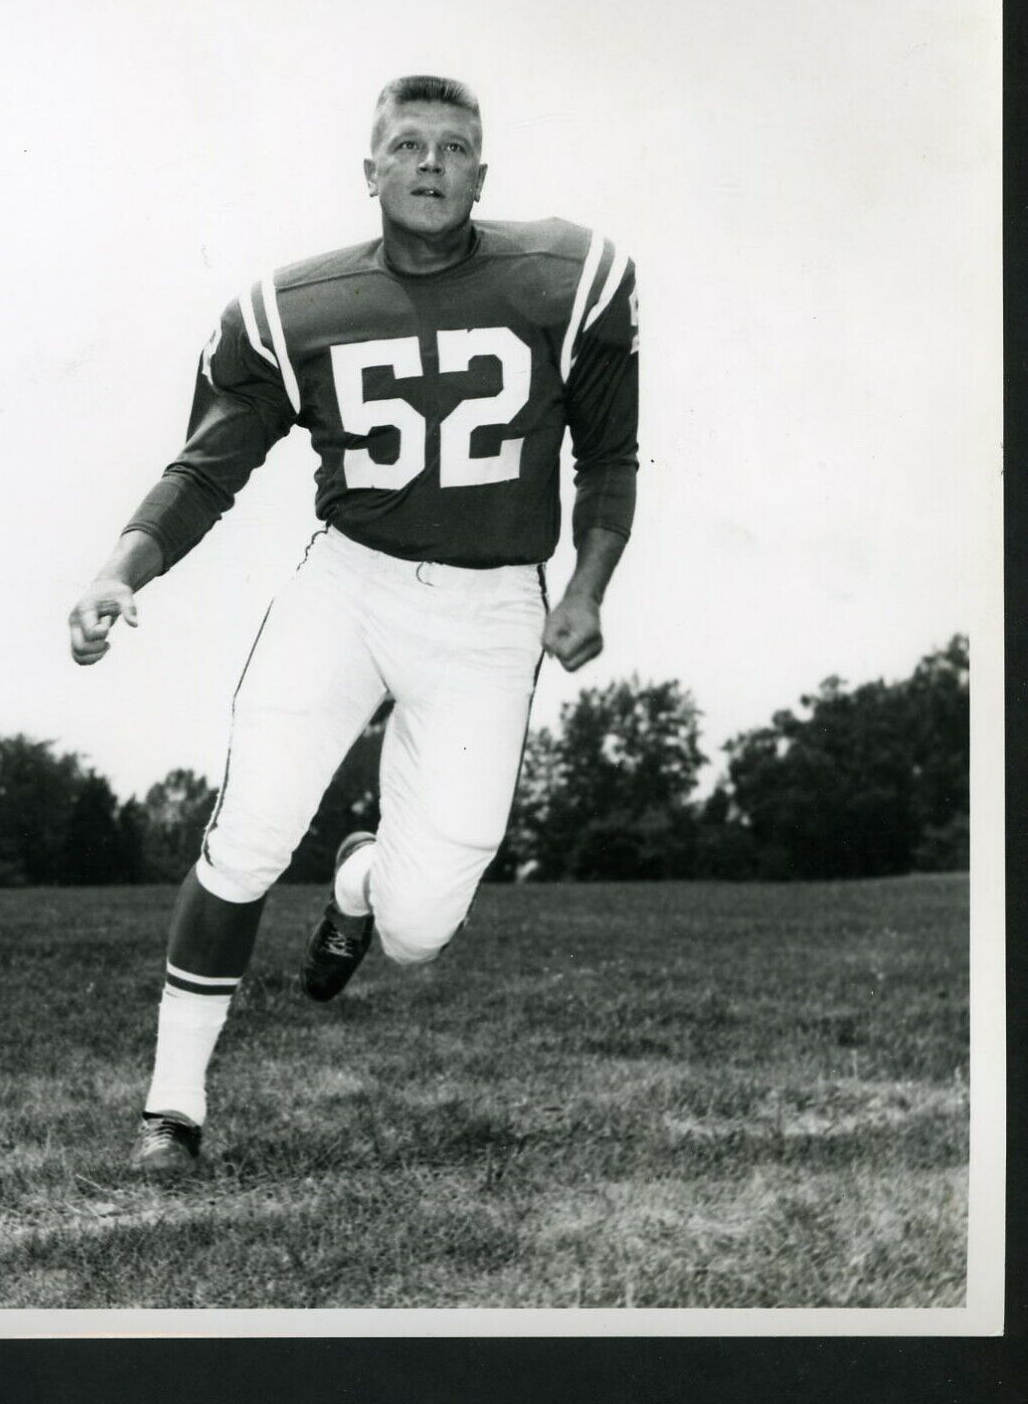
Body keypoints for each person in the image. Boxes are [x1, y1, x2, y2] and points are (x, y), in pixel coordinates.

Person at [68, 75, 640, 1176]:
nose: (431, 163)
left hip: (489, 609)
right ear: (368, 168)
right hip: (350, 586)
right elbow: (207, 466)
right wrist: (118, 571)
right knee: (246, 834)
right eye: (407, 145)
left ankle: (359, 885)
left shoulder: (565, 279)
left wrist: (587, 586)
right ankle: (172, 1109)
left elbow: (608, 455)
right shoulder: (297, 306)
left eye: (454, 147)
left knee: (420, 930)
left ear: (484, 170)